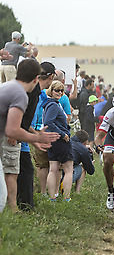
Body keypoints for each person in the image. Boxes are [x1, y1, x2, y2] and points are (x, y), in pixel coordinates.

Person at [17, 61, 56, 211]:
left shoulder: (37, 93)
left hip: (22, 135)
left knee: (23, 171)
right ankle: (24, 208)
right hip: (16, 135)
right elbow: (20, 117)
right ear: (51, 77)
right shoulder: (32, 92)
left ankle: (22, 206)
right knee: (24, 172)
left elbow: (26, 122)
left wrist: (36, 138)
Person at [43, 81, 74, 202]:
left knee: (53, 169)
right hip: (60, 140)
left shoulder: (49, 104)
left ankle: (52, 198)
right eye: (56, 90)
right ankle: (66, 198)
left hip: (52, 140)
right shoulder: (54, 105)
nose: (60, 92)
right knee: (68, 170)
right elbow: (48, 122)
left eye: (62, 90)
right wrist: (63, 134)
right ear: (51, 90)